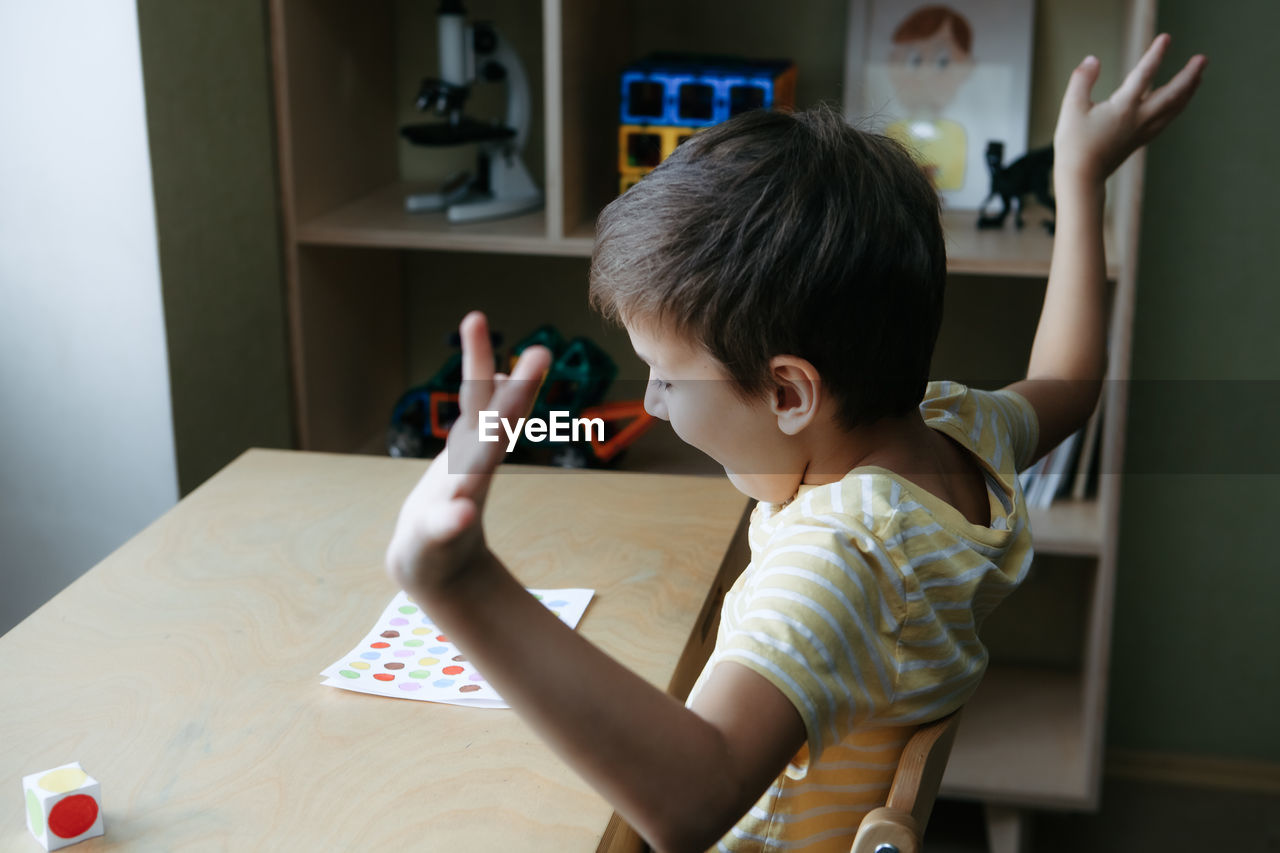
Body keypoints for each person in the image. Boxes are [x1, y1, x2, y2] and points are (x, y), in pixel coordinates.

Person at [385, 36, 1205, 853]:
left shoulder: (843, 559)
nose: (653, 405)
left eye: (666, 376)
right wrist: (1079, 177)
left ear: (788, 393)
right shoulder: (953, 428)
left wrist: (461, 582)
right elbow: (1067, 382)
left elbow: (692, 799)